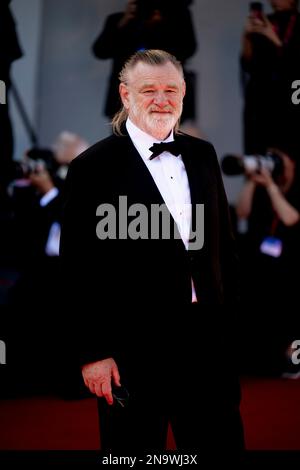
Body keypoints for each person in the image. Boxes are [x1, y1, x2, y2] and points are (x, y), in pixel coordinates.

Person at [60, 49, 244, 461]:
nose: (162, 99)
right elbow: (76, 270)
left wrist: (230, 327)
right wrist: (92, 353)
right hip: (132, 351)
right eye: (149, 90)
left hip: (207, 345)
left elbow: (224, 250)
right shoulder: (92, 167)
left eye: (171, 90)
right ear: (125, 95)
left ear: (183, 93)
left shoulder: (203, 155)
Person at [236, 147, 300, 375]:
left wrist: (273, 187)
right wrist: (252, 181)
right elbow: (242, 212)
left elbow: (291, 219)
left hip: (289, 272)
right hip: (261, 271)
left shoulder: (290, 193)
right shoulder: (261, 192)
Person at [92, 0, 197, 123]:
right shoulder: (119, 21)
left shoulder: (177, 19)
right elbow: (100, 51)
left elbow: (188, 49)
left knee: (168, 140)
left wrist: (162, 25)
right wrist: (123, 23)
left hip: (166, 102)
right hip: (125, 104)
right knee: (124, 140)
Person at [240, 0, 300, 157]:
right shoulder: (265, 21)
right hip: (260, 103)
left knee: (287, 157)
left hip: (289, 101)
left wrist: (273, 38)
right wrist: (246, 36)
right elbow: (248, 64)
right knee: (257, 157)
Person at [0, 0, 23, 189]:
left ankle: (3, 166)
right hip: (1, 81)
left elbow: (12, 52)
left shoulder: (3, 13)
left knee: (0, 111)